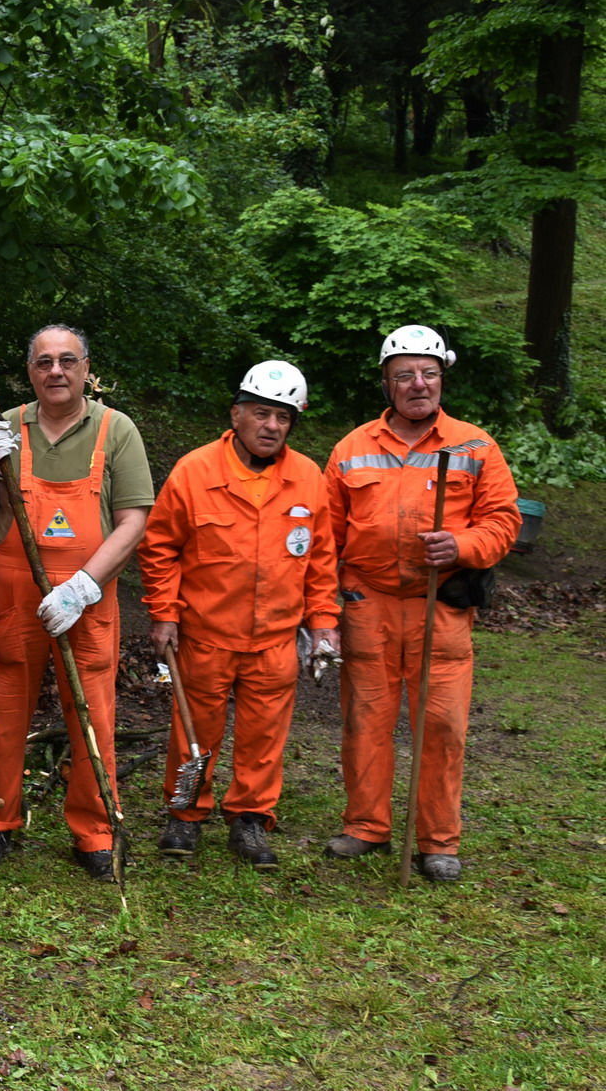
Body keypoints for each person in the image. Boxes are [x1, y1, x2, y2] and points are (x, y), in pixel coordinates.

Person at [0, 324, 154, 880]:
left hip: (88, 598)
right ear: (30, 372)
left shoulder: (116, 431)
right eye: (44, 362)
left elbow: (134, 519)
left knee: (93, 713)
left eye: (68, 361)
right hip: (15, 596)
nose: (56, 371)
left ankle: (95, 830)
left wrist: (85, 584)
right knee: (2, 712)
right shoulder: (7, 428)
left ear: (87, 367)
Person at [322, 325, 519, 882]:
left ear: (442, 379)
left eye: (428, 374)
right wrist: (329, 603)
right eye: (405, 374)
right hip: (370, 604)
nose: (418, 384)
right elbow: (325, 536)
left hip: (441, 606)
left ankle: (437, 841)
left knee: (442, 725)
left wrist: (462, 544)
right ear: (386, 382)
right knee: (366, 719)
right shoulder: (352, 449)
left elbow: (504, 522)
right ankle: (367, 826)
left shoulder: (474, 446)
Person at [138, 361, 339, 868]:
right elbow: (160, 546)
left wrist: (324, 629)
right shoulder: (196, 470)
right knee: (193, 730)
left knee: (264, 736)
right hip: (205, 633)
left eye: (284, 418)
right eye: (262, 413)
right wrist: (164, 614)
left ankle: (250, 819)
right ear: (237, 414)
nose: (272, 426)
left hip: (274, 638)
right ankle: (184, 816)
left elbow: (320, 561)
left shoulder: (308, 479)